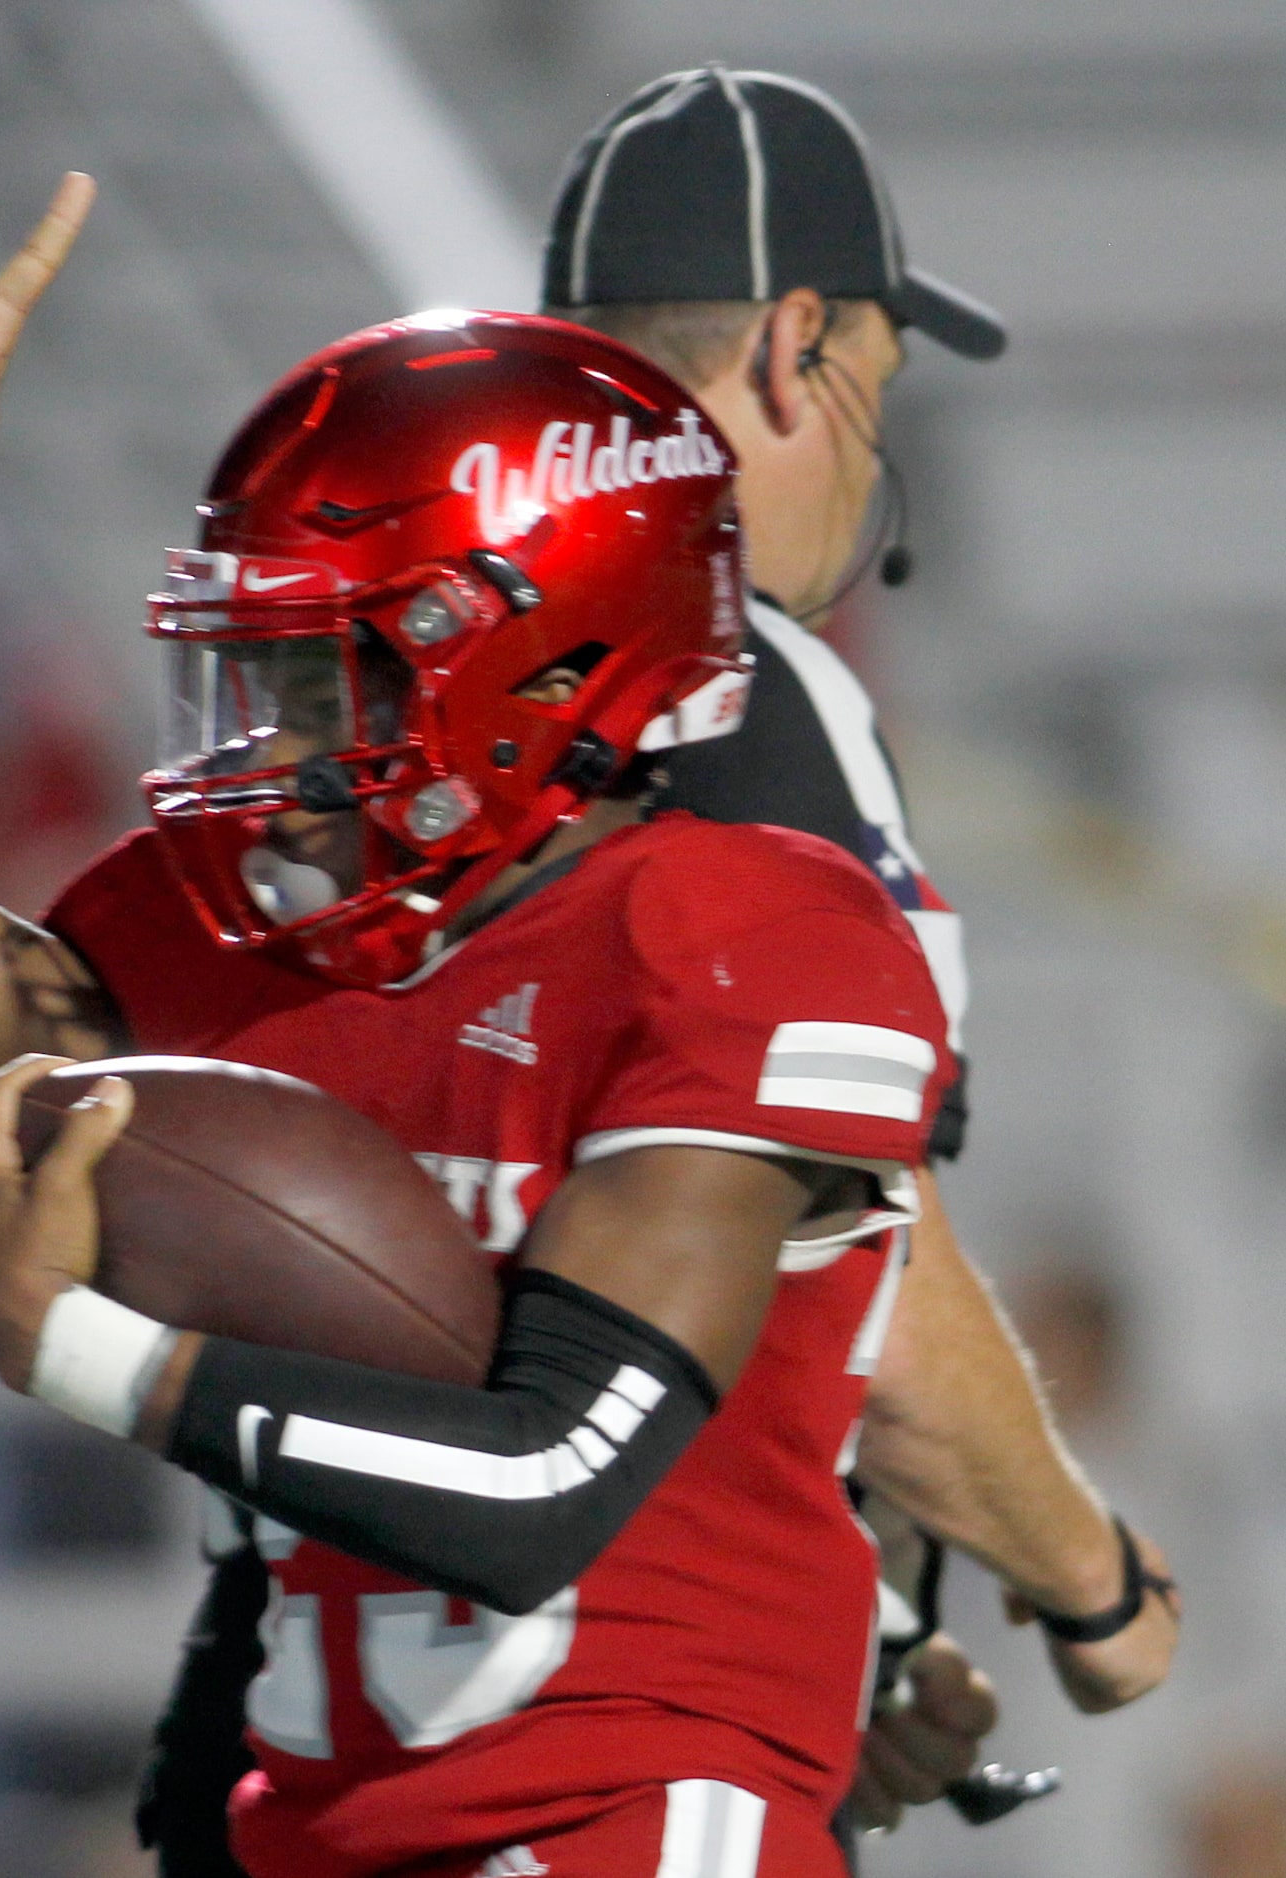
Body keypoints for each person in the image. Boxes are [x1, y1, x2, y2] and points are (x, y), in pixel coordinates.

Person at [0, 164, 1174, 1874]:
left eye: (334, 684)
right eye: (261, 679)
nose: (276, 761)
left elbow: (541, 1489)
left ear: (546, 660)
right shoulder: (233, 944)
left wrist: (82, 1351)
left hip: (628, 1825)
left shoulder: (738, 934)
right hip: (330, 1824)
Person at [137, 67, 1177, 1871]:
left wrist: (865, 1644)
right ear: (799, 349)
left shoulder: (443, 675)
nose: (874, 442)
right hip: (580, 1744)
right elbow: (867, 1280)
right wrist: (1088, 1582)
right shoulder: (741, 694)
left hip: (344, 1677)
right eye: (881, 375)